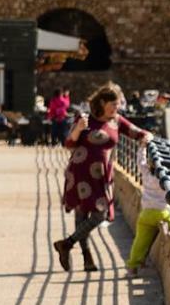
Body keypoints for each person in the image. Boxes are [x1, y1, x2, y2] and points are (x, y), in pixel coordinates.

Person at [53, 83, 151, 273]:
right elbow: (69, 143)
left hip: (102, 175)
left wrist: (148, 138)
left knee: (101, 214)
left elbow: (137, 132)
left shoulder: (117, 121)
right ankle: (87, 258)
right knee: (81, 215)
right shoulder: (85, 119)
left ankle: (66, 244)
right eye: (113, 105)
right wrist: (78, 128)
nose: (117, 108)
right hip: (80, 172)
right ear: (102, 103)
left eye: (118, 105)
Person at [126, 145, 170, 275]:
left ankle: (133, 265)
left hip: (145, 213)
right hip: (162, 212)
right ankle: (169, 228)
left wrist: (142, 147)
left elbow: (140, 162)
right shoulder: (165, 180)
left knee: (140, 241)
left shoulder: (146, 174)